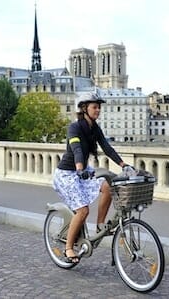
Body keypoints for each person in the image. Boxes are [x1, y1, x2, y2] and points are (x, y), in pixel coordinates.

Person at [52, 92, 134, 264]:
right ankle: (68, 248)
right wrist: (80, 168)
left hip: (82, 171)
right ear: (84, 108)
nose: (98, 110)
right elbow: (77, 150)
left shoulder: (95, 128)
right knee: (83, 211)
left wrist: (123, 164)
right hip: (67, 173)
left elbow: (106, 147)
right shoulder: (74, 128)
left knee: (107, 186)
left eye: (99, 107)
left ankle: (99, 226)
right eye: (94, 107)